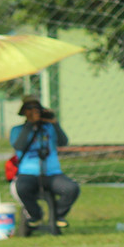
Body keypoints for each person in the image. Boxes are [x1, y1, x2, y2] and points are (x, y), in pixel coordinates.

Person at [9, 96, 80, 229]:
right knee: (21, 188)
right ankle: (35, 214)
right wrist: (30, 124)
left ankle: (58, 214)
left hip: (52, 173)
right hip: (28, 173)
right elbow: (19, 146)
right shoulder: (17, 130)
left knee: (72, 188)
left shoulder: (49, 128)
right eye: (29, 109)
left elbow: (63, 142)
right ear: (24, 112)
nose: (33, 112)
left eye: (36, 109)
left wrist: (55, 123)